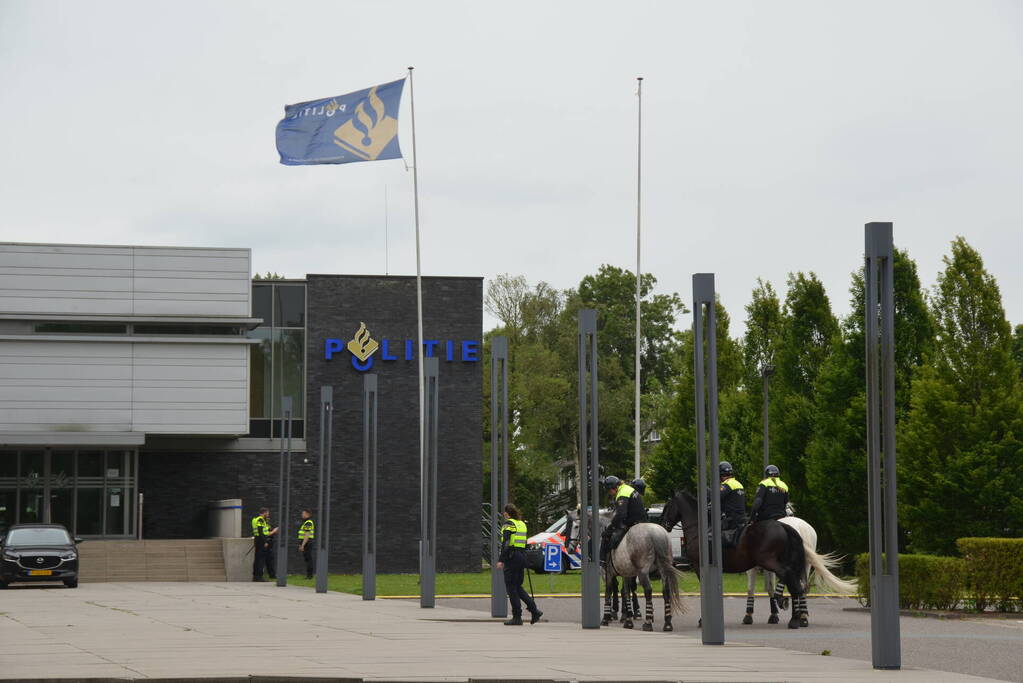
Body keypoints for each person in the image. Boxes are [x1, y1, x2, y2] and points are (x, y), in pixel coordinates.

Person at [495, 503, 542, 626]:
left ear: (506, 513)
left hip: (512, 557)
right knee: (517, 586)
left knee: (511, 587)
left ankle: (517, 617)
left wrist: (501, 559)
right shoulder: (521, 524)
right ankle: (534, 610)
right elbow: (524, 542)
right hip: (521, 556)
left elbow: (506, 543)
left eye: (504, 512)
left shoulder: (508, 524)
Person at [600, 475, 645, 565]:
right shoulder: (628, 488)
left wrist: (611, 527)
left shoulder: (622, 493)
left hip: (632, 522)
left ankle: (603, 562)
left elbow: (621, 515)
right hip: (643, 521)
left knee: (605, 536)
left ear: (613, 487)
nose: (609, 493)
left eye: (609, 490)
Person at [718, 462, 747, 548]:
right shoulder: (738, 484)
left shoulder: (726, 484)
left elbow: (716, 497)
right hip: (741, 518)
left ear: (720, 475)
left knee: (711, 534)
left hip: (731, 520)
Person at [251, 507, 278, 582]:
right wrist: (265, 542)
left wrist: (272, 531)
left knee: (262, 559)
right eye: (267, 513)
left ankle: (259, 576)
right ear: (264, 513)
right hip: (261, 541)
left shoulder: (262, 520)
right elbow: (260, 532)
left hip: (260, 540)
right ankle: (258, 577)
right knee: (260, 560)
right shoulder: (260, 520)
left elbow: (265, 531)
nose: (268, 515)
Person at [297, 509, 315, 579]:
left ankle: (309, 576)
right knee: (307, 559)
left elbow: (307, 534)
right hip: (305, 543)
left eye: (303, 513)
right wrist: (300, 544)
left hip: (307, 543)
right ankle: (309, 575)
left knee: (308, 559)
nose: (302, 515)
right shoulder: (305, 522)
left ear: (308, 514)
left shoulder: (308, 522)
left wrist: (303, 545)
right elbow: (302, 535)